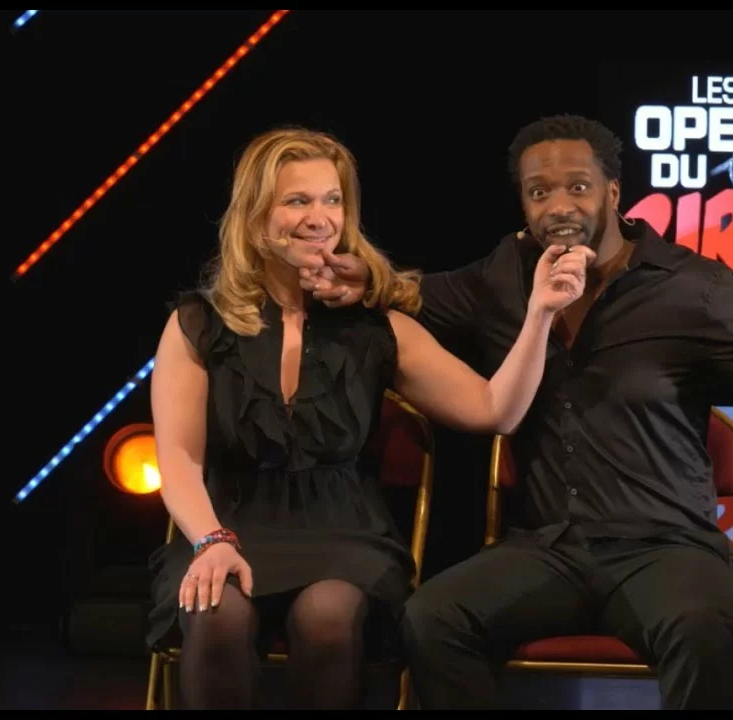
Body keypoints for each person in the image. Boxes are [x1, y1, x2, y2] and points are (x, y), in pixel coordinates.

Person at [298, 114, 733, 709]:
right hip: (545, 550)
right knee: (432, 618)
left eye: (578, 187)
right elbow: (409, 292)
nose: (558, 205)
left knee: (700, 630)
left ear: (613, 192)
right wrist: (365, 279)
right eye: (539, 191)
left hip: (666, 548)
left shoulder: (695, 287)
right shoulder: (502, 277)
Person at [145, 126, 595, 710]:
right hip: (224, 522)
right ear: (255, 216)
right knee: (217, 612)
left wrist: (540, 315)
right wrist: (211, 541)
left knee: (327, 617)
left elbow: (495, 410)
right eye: (297, 200)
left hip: (345, 534)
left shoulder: (376, 327)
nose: (320, 218)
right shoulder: (198, 324)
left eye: (332, 200)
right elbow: (179, 457)